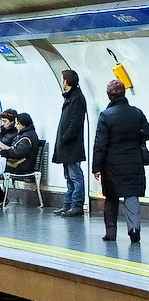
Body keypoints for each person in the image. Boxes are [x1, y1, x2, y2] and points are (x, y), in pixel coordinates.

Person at [92, 79, 149, 243]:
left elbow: (100, 144)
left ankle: (111, 232)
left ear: (109, 96)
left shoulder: (105, 116)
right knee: (132, 196)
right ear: (124, 93)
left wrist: (96, 167)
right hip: (134, 161)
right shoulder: (136, 113)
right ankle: (134, 229)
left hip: (112, 164)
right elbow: (146, 132)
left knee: (111, 197)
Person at [51, 70, 88, 217]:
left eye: (62, 80)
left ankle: (76, 205)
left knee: (75, 176)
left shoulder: (76, 99)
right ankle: (68, 204)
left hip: (71, 145)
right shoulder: (71, 98)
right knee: (69, 176)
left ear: (66, 81)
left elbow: (75, 123)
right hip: (68, 146)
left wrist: (65, 138)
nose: (61, 82)